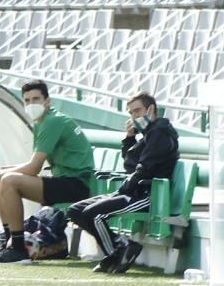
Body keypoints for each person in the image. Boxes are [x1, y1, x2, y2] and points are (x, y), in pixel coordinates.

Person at [0, 80, 96, 264]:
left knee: (7, 181)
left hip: (77, 185)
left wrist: (1, 173)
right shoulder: (43, 122)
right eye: (27, 100)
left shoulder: (52, 121)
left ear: (47, 101)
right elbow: (33, 164)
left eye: (36, 99)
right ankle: (8, 243)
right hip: (65, 181)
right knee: (1, 180)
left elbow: (33, 168)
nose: (32, 104)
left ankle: (18, 249)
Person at [66, 91, 179, 275]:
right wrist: (129, 138)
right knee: (75, 211)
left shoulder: (160, 131)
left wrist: (125, 188)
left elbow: (145, 167)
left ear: (151, 110)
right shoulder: (148, 135)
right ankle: (121, 247)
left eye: (138, 111)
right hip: (133, 190)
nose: (134, 116)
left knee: (94, 214)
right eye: (131, 112)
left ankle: (118, 250)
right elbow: (130, 164)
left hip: (148, 193)